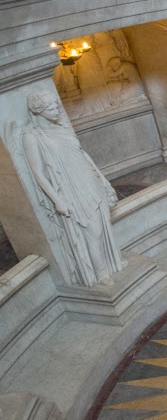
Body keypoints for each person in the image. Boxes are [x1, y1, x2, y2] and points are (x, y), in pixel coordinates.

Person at [22, 91, 125, 287]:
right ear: (38, 111)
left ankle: (112, 263)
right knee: (93, 231)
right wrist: (57, 200)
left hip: (89, 179)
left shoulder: (61, 128)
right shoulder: (32, 137)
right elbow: (38, 173)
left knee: (104, 225)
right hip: (71, 188)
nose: (56, 110)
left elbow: (83, 155)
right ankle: (100, 273)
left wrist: (102, 179)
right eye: (51, 108)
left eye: (56, 106)